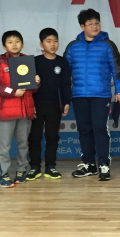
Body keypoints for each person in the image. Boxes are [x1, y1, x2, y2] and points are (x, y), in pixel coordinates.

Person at [64, 8, 120, 182]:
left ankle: (104, 164)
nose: (95, 26)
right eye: (90, 24)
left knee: (99, 128)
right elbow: (65, 73)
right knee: (84, 129)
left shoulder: (107, 45)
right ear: (82, 26)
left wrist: (119, 91)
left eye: (97, 23)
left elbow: (117, 70)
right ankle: (89, 164)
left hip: (101, 95)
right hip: (79, 95)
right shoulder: (73, 46)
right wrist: (65, 96)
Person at [0, 30, 40, 188]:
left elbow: (32, 89)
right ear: (4, 46)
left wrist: (36, 82)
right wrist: (12, 92)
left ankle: (21, 171)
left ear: (22, 44)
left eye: (17, 41)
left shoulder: (27, 61)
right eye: (10, 42)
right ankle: (2, 175)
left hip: (25, 111)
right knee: (4, 146)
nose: (14, 44)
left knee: (23, 144)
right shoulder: (0, 63)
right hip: (6, 112)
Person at [27, 27, 72, 180]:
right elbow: (28, 86)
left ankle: (50, 167)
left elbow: (66, 84)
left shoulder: (62, 62)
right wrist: (30, 104)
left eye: (55, 41)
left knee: (52, 136)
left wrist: (66, 102)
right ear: (41, 44)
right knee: (35, 136)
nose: (53, 44)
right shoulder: (35, 62)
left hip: (55, 105)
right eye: (48, 41)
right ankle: (34, 167)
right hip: (37, 105)